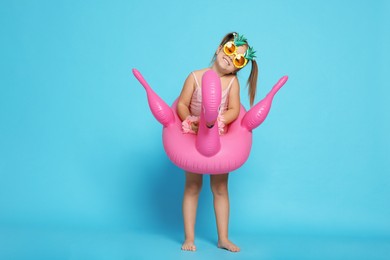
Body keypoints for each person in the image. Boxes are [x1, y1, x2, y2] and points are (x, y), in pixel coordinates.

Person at [176, 32, 258, 252]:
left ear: (238, 68)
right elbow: (182, 104)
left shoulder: (232, 83)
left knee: (220, 187)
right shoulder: (195, 76)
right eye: (230, 50)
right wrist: (190, 120)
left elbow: (234, 110)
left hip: (218, 138)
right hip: (193, 136)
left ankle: (223, 238)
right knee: (193, 186)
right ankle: (189, 238)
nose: (231, 58)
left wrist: (218, 121)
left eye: (238, 59)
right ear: (218, 48)